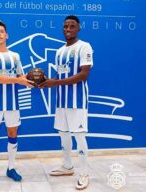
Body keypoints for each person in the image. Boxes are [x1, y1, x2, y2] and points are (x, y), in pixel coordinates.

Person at [39, 15, 93, 190]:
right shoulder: (60, 51)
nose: (68, 29)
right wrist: (46, 82)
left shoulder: (84, 47)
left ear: (78, 28)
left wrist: (55, 83)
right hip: (61, 101)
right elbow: (61, 76)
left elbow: (83, 74)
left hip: (77, 101)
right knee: (63, 133)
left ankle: (84, 173)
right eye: (65, 26)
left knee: (79, 135)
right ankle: (67, 166)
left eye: (72, 26)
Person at [0, 21, 34, 186]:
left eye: (2, 31)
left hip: (12, 104)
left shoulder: (15, 56)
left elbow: (21, 76)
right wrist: (18, 79)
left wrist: (34, 80)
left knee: (12, 134)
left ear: (7, 35)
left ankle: (11, 168)